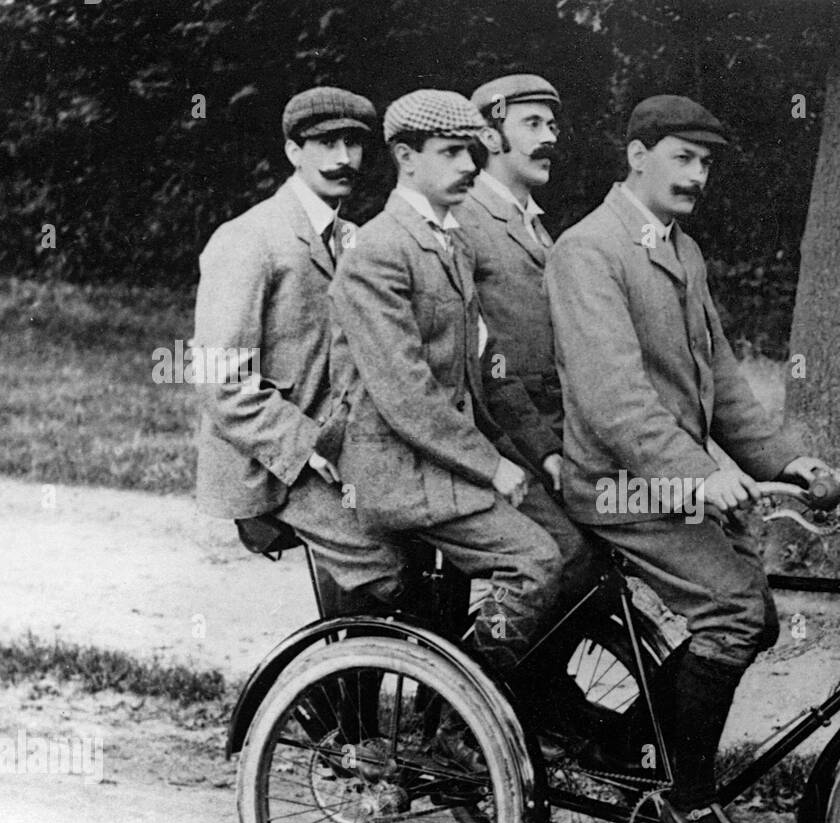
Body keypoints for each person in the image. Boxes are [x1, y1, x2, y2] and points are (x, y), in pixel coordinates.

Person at [546, 95, 830, 823]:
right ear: (636, 155)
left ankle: (623, 742)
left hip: (669, 482)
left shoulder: (682, 250)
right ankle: (686, 795)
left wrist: (782, 462)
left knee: (756, 619)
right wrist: (699, 476)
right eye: (682, 157)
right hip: (617, 484)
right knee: (736, 612)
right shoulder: (588, 249)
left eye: (706, 163)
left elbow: (723, 380)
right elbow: (613, 402)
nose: (697, 174)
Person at [329, 89, 560, 680]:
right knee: (533, 562)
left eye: (473, 154)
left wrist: (544, 454)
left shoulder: (450, 241)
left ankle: (460, 710)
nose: (469, 167)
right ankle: (468, 716)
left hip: (441, 463)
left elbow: (488, 365)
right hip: (399, 471)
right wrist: (492, 466)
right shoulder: (379, 249)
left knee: (569, 552)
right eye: (453, 153)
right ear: (406, 157)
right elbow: (405, 395)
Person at [193, 86, 407, 618]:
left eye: (353, 144)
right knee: (391, 570)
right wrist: (310, 447)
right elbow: (222, 382)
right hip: (276, 464)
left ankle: (353, 684)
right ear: (293, 151)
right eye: (325, 143)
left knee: (432, 546)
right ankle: (337, 683)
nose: (342, 159)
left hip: (346, 454)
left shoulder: (355, 239)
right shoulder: (250, 239)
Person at [456, 74, 601, 616]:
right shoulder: (466, 220)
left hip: (554, 424)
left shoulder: (538, 226)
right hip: (502, 432)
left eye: (553, 124)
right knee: (567, 561)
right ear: (491, 137)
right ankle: (480, 686)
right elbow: (474, 353)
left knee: (597, 565)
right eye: (532, 124)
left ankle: (537, 694)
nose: (551, 137)